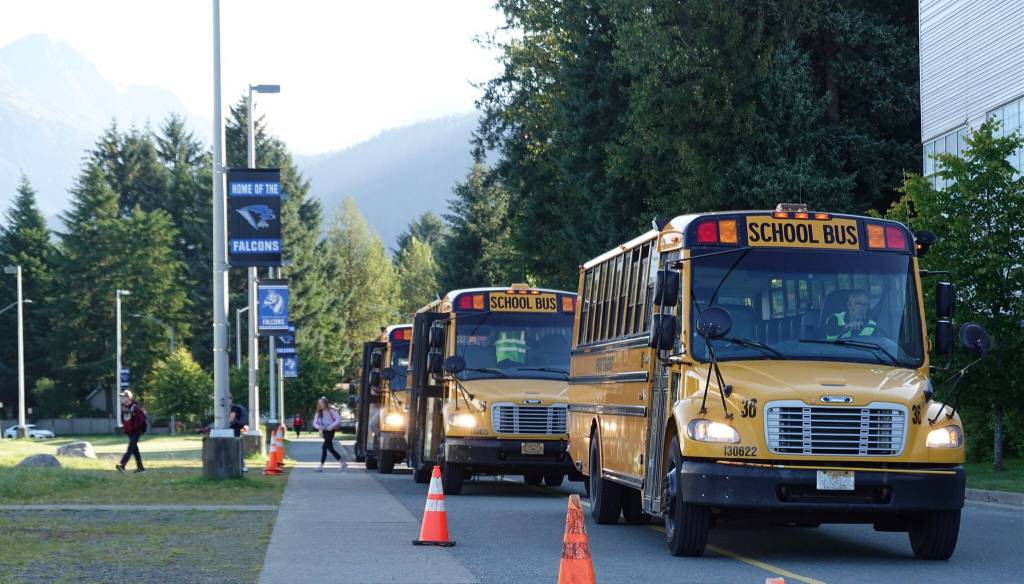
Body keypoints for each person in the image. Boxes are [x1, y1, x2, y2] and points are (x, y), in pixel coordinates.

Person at [116, 390, 147, 474]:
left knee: (130, 449)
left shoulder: (135, 407)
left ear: (128, 398)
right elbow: (124, 420)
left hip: (136, 432)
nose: (122, 398)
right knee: (134, 450)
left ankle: (122, 465)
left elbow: (140, 420)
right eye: (121, 397)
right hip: (130, 432)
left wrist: (135, 429)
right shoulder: (124, 407)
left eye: (123, 397)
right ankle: (141, 468)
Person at [312, 397, 344, 472]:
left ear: (326, 403)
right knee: (330, 449)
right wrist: (319, 427)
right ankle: (342, 463)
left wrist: (332, 426)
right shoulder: (318, 412)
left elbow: (338, 419)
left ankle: (321, 466)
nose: (321, 405)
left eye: (322, 403)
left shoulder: (331, 411)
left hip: (331, 431)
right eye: (319, 403)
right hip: (324, 432)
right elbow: (314, 423)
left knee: (324, 447)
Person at [227, 395, 249, 472]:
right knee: (229, 450)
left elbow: (231, 418)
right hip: (228, 431)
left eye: (229, 398)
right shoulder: (222, 409)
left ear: (231, 399)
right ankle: (231, 466)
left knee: (236, 449)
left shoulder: (234, 408)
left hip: (234, 432)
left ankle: (243, 466)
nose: (228, 400)